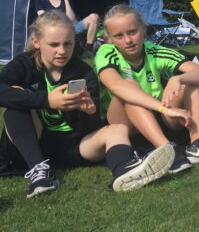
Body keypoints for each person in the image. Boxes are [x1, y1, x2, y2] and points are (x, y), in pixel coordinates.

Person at [0, 11, 174, 197]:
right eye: (54, 45)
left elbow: (86, 129)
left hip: (72, 146)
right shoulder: (24, 64)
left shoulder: (82, 71)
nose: (62, 51)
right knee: (16, 96)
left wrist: (88, 113)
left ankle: (125, 169)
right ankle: (39, 171)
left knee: (116, 129)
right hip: (33, 143)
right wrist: (46, 100)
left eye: (67, 43)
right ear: (36, 42)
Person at [96, 5, 199, 174]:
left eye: (132, 32)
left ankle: (198, 144)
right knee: (129, 87)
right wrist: (163, 108)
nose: (128, 40)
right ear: (110, 38)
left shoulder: (154, 51)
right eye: (119, 36)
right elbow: (115, 85)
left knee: (189, 83)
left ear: (143, 29)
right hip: (123, 125)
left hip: (159, 118)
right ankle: (166, 150)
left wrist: (178, 79)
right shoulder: (106, 52)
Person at [34, 0, 100, 58]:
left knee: (94, 17)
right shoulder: (40, 1)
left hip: (71, 27)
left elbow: (71, 18)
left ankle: (88, 49)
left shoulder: (64, 0)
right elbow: (43, 18)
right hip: (54, 30)